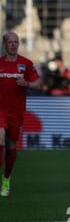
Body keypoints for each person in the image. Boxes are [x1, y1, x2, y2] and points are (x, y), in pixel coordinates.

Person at [0, 32, 41, 197]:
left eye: (15, 42)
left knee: (11, 147)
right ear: (4, 44)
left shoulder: (26, 64)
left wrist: (27, 83)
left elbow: (38, 83)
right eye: (10, 42)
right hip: (0, 110)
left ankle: (6, 179)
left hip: (17, 113)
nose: (13, 45)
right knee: (0, 139)